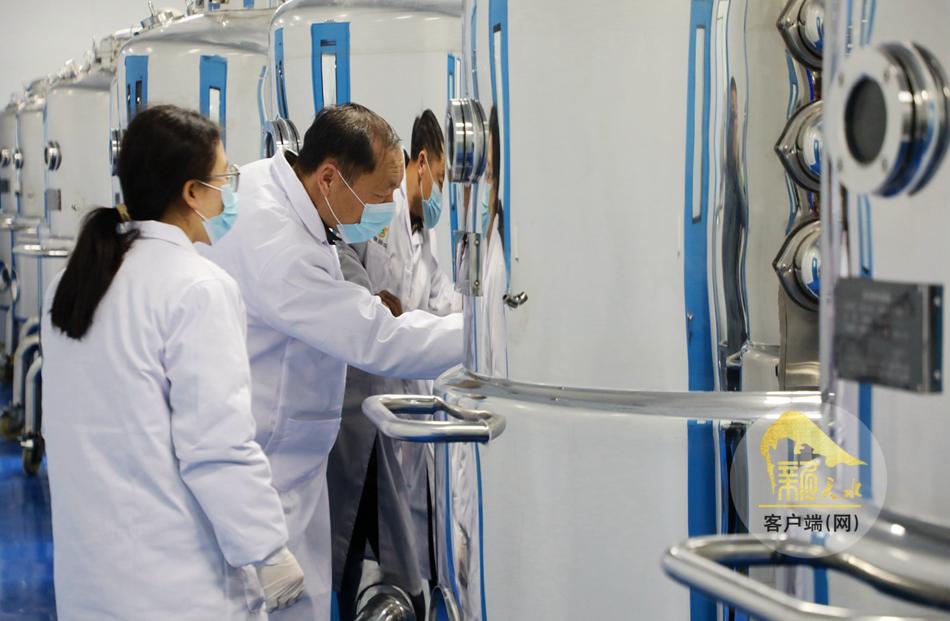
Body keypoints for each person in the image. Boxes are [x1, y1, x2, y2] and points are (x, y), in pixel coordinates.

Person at [41, 104, 305, 620]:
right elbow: (217, 447)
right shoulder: (197, 287)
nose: (231, 191)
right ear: (191, 192)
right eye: (224, 177)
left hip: (90, 579)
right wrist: (270, 552)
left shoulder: (72, 284)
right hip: (176, 587)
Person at [202, 103, 465, 621]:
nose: (388, 207)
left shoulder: (271, 185)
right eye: (381, 193)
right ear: (329, 177)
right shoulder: (281, 249)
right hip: (269, 471)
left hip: (289, 463)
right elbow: (378, 339)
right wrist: (481, 335)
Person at [328, 109, 463, 619]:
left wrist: (480, 318)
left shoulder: (425, 236)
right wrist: (385, 308)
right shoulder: (371, 216)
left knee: (403, 548)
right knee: (359, 545)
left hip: (404, 401)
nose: (441, 192)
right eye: (442, 177)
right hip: (362, 406)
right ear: (420, 163)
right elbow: (366, 307)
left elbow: (438, 300)